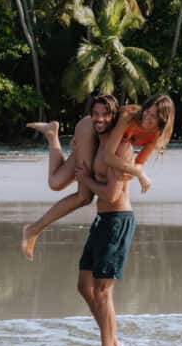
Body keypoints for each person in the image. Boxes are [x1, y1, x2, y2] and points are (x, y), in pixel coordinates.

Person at [21, 95, 119, 261]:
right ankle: (33, 230)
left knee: (55, 182)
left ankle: (52, 134)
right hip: (89, 132)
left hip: (91, 135)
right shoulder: (128, 118)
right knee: (84, 197)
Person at [74, 134, 137, 346]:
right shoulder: (98, 146)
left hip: (117, 221)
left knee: (102, 291)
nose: (99, 119)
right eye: (96, 114)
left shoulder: (121, 148)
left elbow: (112, 194)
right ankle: (112, 342)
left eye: (104, 114)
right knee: (84, 286)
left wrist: (86, 180)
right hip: (101, 220)